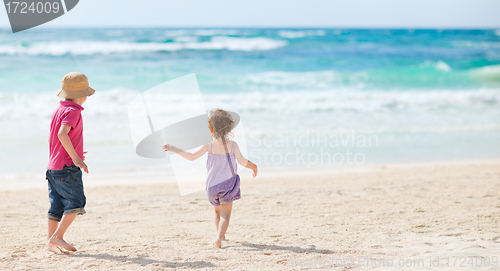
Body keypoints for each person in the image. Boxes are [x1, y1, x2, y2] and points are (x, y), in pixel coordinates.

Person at [163, 108, 257, 248]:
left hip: (212, 186)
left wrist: (174, 148)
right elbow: (243, 162)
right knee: (226, 214)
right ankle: (219, 237)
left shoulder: (209, 145)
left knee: (217, 211)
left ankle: (221, 235)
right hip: (228, 185)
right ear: (229, 128)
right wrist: (254, 166)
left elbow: (191, 157)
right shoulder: (233, 145)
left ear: (211, 130)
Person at [45, 72, 95, 254]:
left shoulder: (59, 109)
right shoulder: (73, 111)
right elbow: (61, 134)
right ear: (84, 95)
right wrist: (76, 158)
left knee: (56, 206)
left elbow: (56, 138)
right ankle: (57, 237)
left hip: (53, 167)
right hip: (66, 168)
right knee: (76, 201)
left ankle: (51, 244)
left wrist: (77, 151)